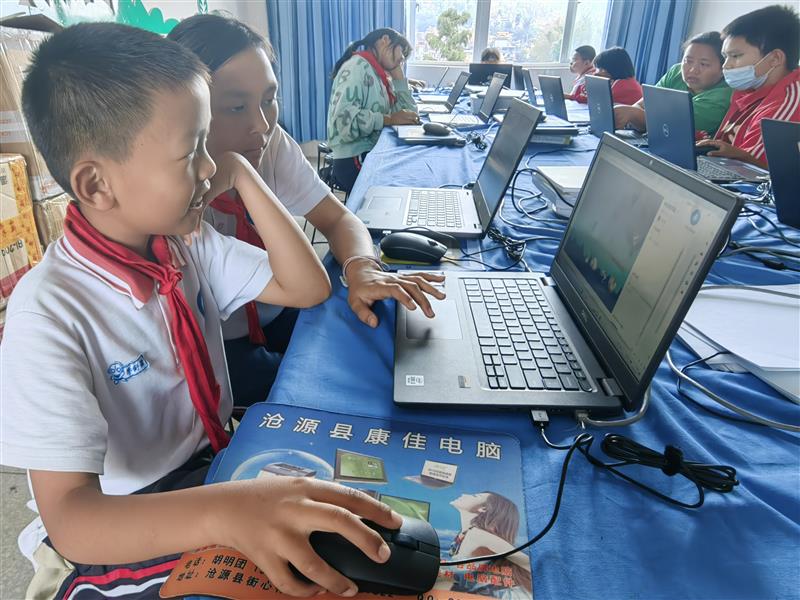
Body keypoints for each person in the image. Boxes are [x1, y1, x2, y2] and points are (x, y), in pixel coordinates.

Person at [1, 23, 403, 598]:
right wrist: (223, 512)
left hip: (212, 461)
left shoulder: (185, 244)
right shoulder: (48, 314)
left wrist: (239, 169)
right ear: (96, 184)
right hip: (129, 516)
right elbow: (72, 519)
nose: (209, 167)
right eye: (193, 151)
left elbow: (308, 287)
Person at [169, 15, 444, 406]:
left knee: (369, 346)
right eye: (234, 108)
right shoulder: (166, 199)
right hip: (217, 344)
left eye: (269, 100)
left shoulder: (269, 144)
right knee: (332, 393)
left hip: (279, 304)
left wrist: (361, 265)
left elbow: (336, 218)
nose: (261, 125)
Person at [697, 4, 800, 167]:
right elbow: (726, 145)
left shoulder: (789, 101)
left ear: (775, 59)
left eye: (736, 56)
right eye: (725, 57)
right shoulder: (746, 90)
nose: (726, 66)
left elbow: (759, 171)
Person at [327, 28, 419, 192]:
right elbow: (343, 123)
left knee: (412, 170)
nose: (402, 59)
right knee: (404, 183)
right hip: (353, 157)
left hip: (369, 150)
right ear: (384, 40)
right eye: (401, 52)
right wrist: (388, 119)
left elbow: (409, 115)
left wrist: (398, 77)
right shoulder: (357, 67)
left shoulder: (378, 74)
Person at [614, 32, 732, 136]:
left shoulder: (724, 95)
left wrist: (633, 114)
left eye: (704, 64)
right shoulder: (677, 72)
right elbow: (643, 104)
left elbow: (671, 126)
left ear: (723, 69)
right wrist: (632, 113)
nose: (692, 70)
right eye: (688, 61)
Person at [440, 492, 532, 596]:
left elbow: (527, 562)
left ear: (483, 508)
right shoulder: (464, 534)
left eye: (475, 496)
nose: (464, 494)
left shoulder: (479, 535)